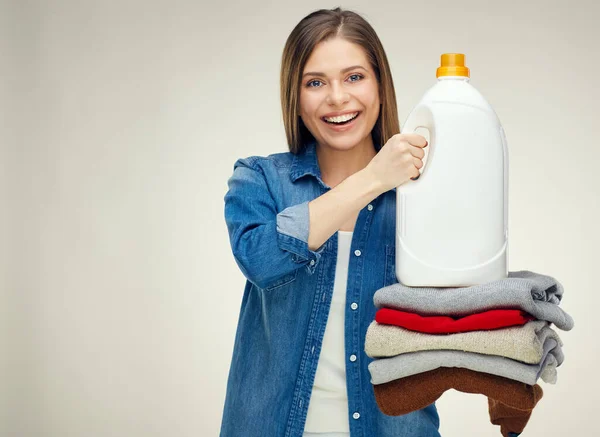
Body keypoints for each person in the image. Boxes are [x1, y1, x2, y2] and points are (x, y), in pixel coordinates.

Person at [220, 7, 437, 437]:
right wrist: (374, 178)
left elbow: (464, 309)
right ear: (295, 98)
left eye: (354, 77)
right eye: (315, 83)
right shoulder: (260, 178)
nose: (337, 98)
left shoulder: (423, 194)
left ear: (379, 86)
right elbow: (262, 259)